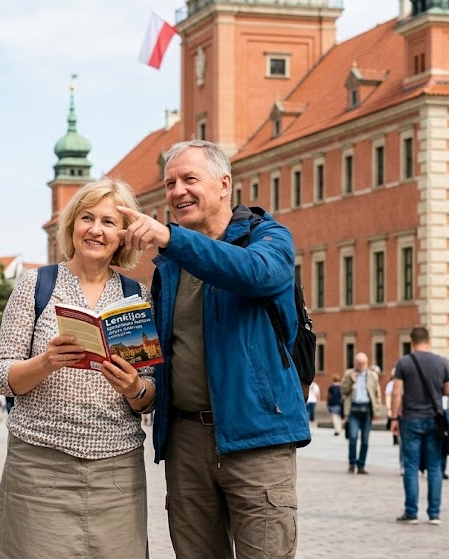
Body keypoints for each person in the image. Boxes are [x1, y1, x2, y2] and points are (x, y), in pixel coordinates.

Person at [116, 140, 308, 558]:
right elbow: (160, 354)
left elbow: (254, 275)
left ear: (224, 184)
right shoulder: (169, 266)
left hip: (257, 436)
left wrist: (171, 238)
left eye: (189, 179)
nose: (177, 191)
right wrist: (134, 381)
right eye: (169, 184)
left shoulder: (268, 238)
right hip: (185, 440)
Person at [0, 178, 155, 558]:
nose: (96, 229)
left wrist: (133, 388)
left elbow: (149, 395)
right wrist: (45, 362)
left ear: (123, 235)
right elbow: (2, 376)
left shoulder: (135, 297)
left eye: (109, 222)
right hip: (39, 465)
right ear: (72, 226)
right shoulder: (37, 284)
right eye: (87, 217)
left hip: (115, 471)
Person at [390, 326, 449, 525]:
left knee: (410, 467)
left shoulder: (404, 362)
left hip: (410, 418)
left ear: (412, 341)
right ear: (429, 340)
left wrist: (394, 418)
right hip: (434, 419)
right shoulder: (441, 362)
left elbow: (396, 392)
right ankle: (434, 514)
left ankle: (411, 513)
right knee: (435, 467)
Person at [341, 355, 382, 474]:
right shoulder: (349, 374)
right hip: (354, 409)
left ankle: (361, 465)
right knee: (353, 437)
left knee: (365, 440)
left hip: (367, 410)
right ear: (355, 363)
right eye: (358, 363)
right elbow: (343, 391)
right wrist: (351, 381)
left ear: (367, 363)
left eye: (363, 363)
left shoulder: (372, 375)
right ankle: (352, 463)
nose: (361, 366)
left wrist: (377, 411)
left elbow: (377, 393)